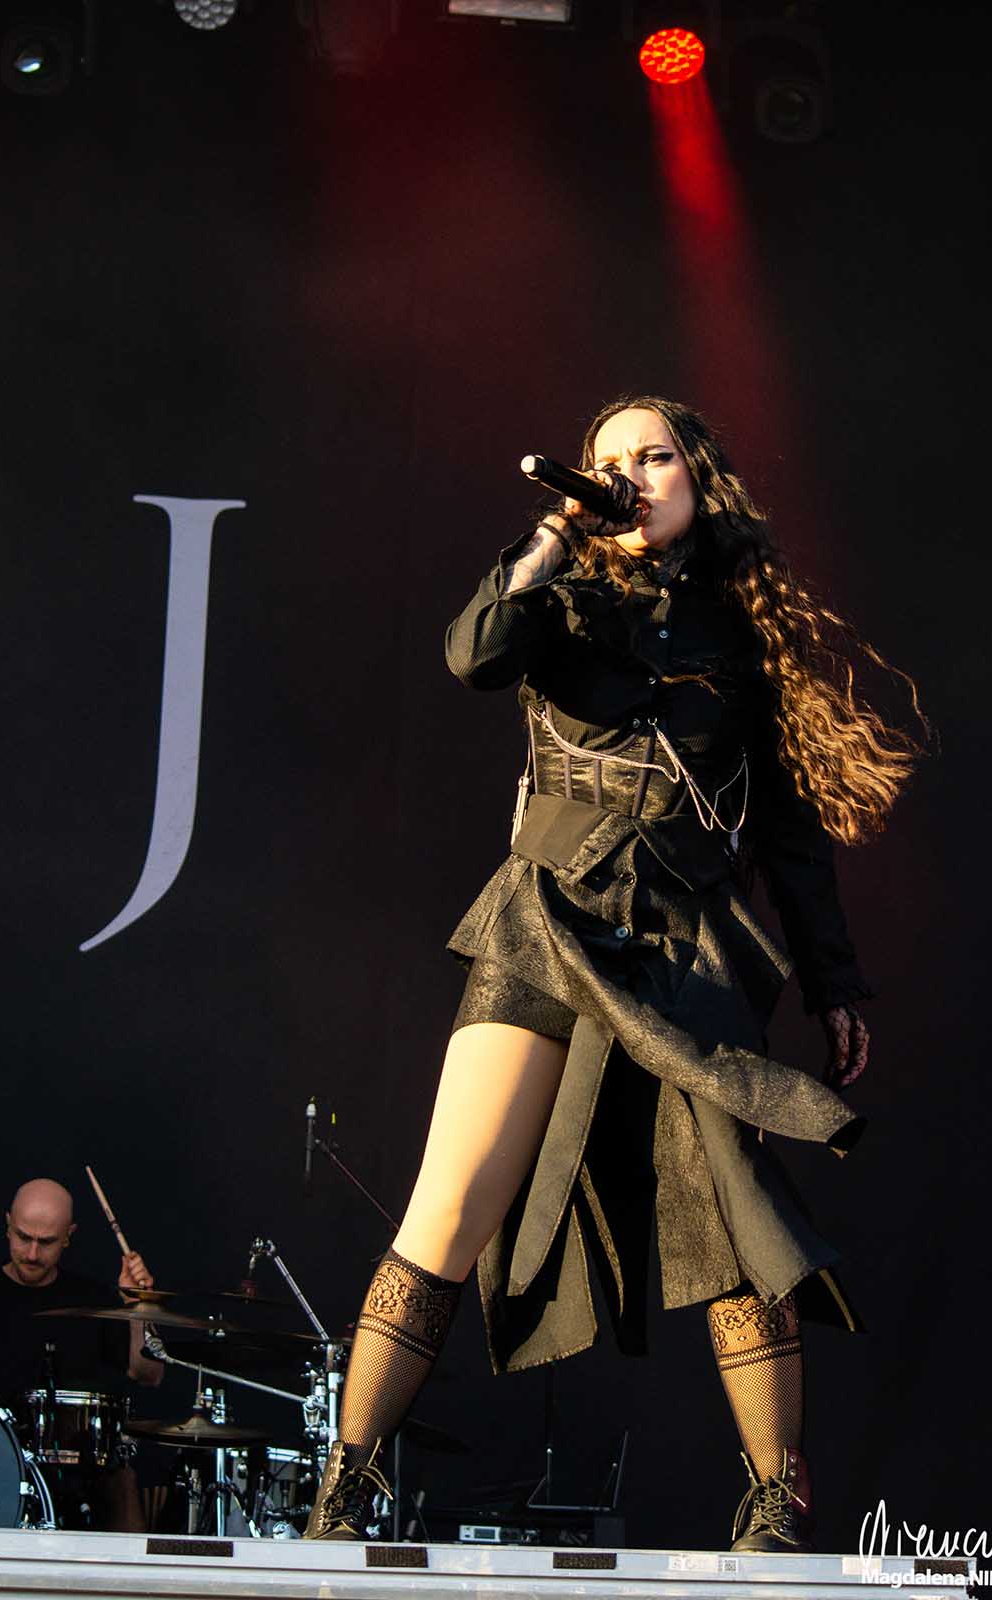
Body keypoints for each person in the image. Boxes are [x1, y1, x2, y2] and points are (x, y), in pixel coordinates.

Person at [304, 396, 924, 1550]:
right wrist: (553, 532)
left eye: (654, 455)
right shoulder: (561, 597)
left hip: (683, 934)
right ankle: (345, 1482)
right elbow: (472, 654)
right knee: (452, 1201)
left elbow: (790, 835)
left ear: (700, 475)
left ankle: (772, 1498)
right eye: (610, 461)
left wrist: (834, 981)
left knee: (737, 1218)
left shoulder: (746, 636)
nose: (631, 474)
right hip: (546, 913)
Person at [0, 1177, 163, 1530]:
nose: (32, 1254)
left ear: (68, 1236)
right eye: (23, 1237)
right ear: (8, 1225)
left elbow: (148, 1375)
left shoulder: (94, 1299)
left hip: (80, 1466)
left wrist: (138, 1307)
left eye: (46, 1242)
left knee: (122, 1478)